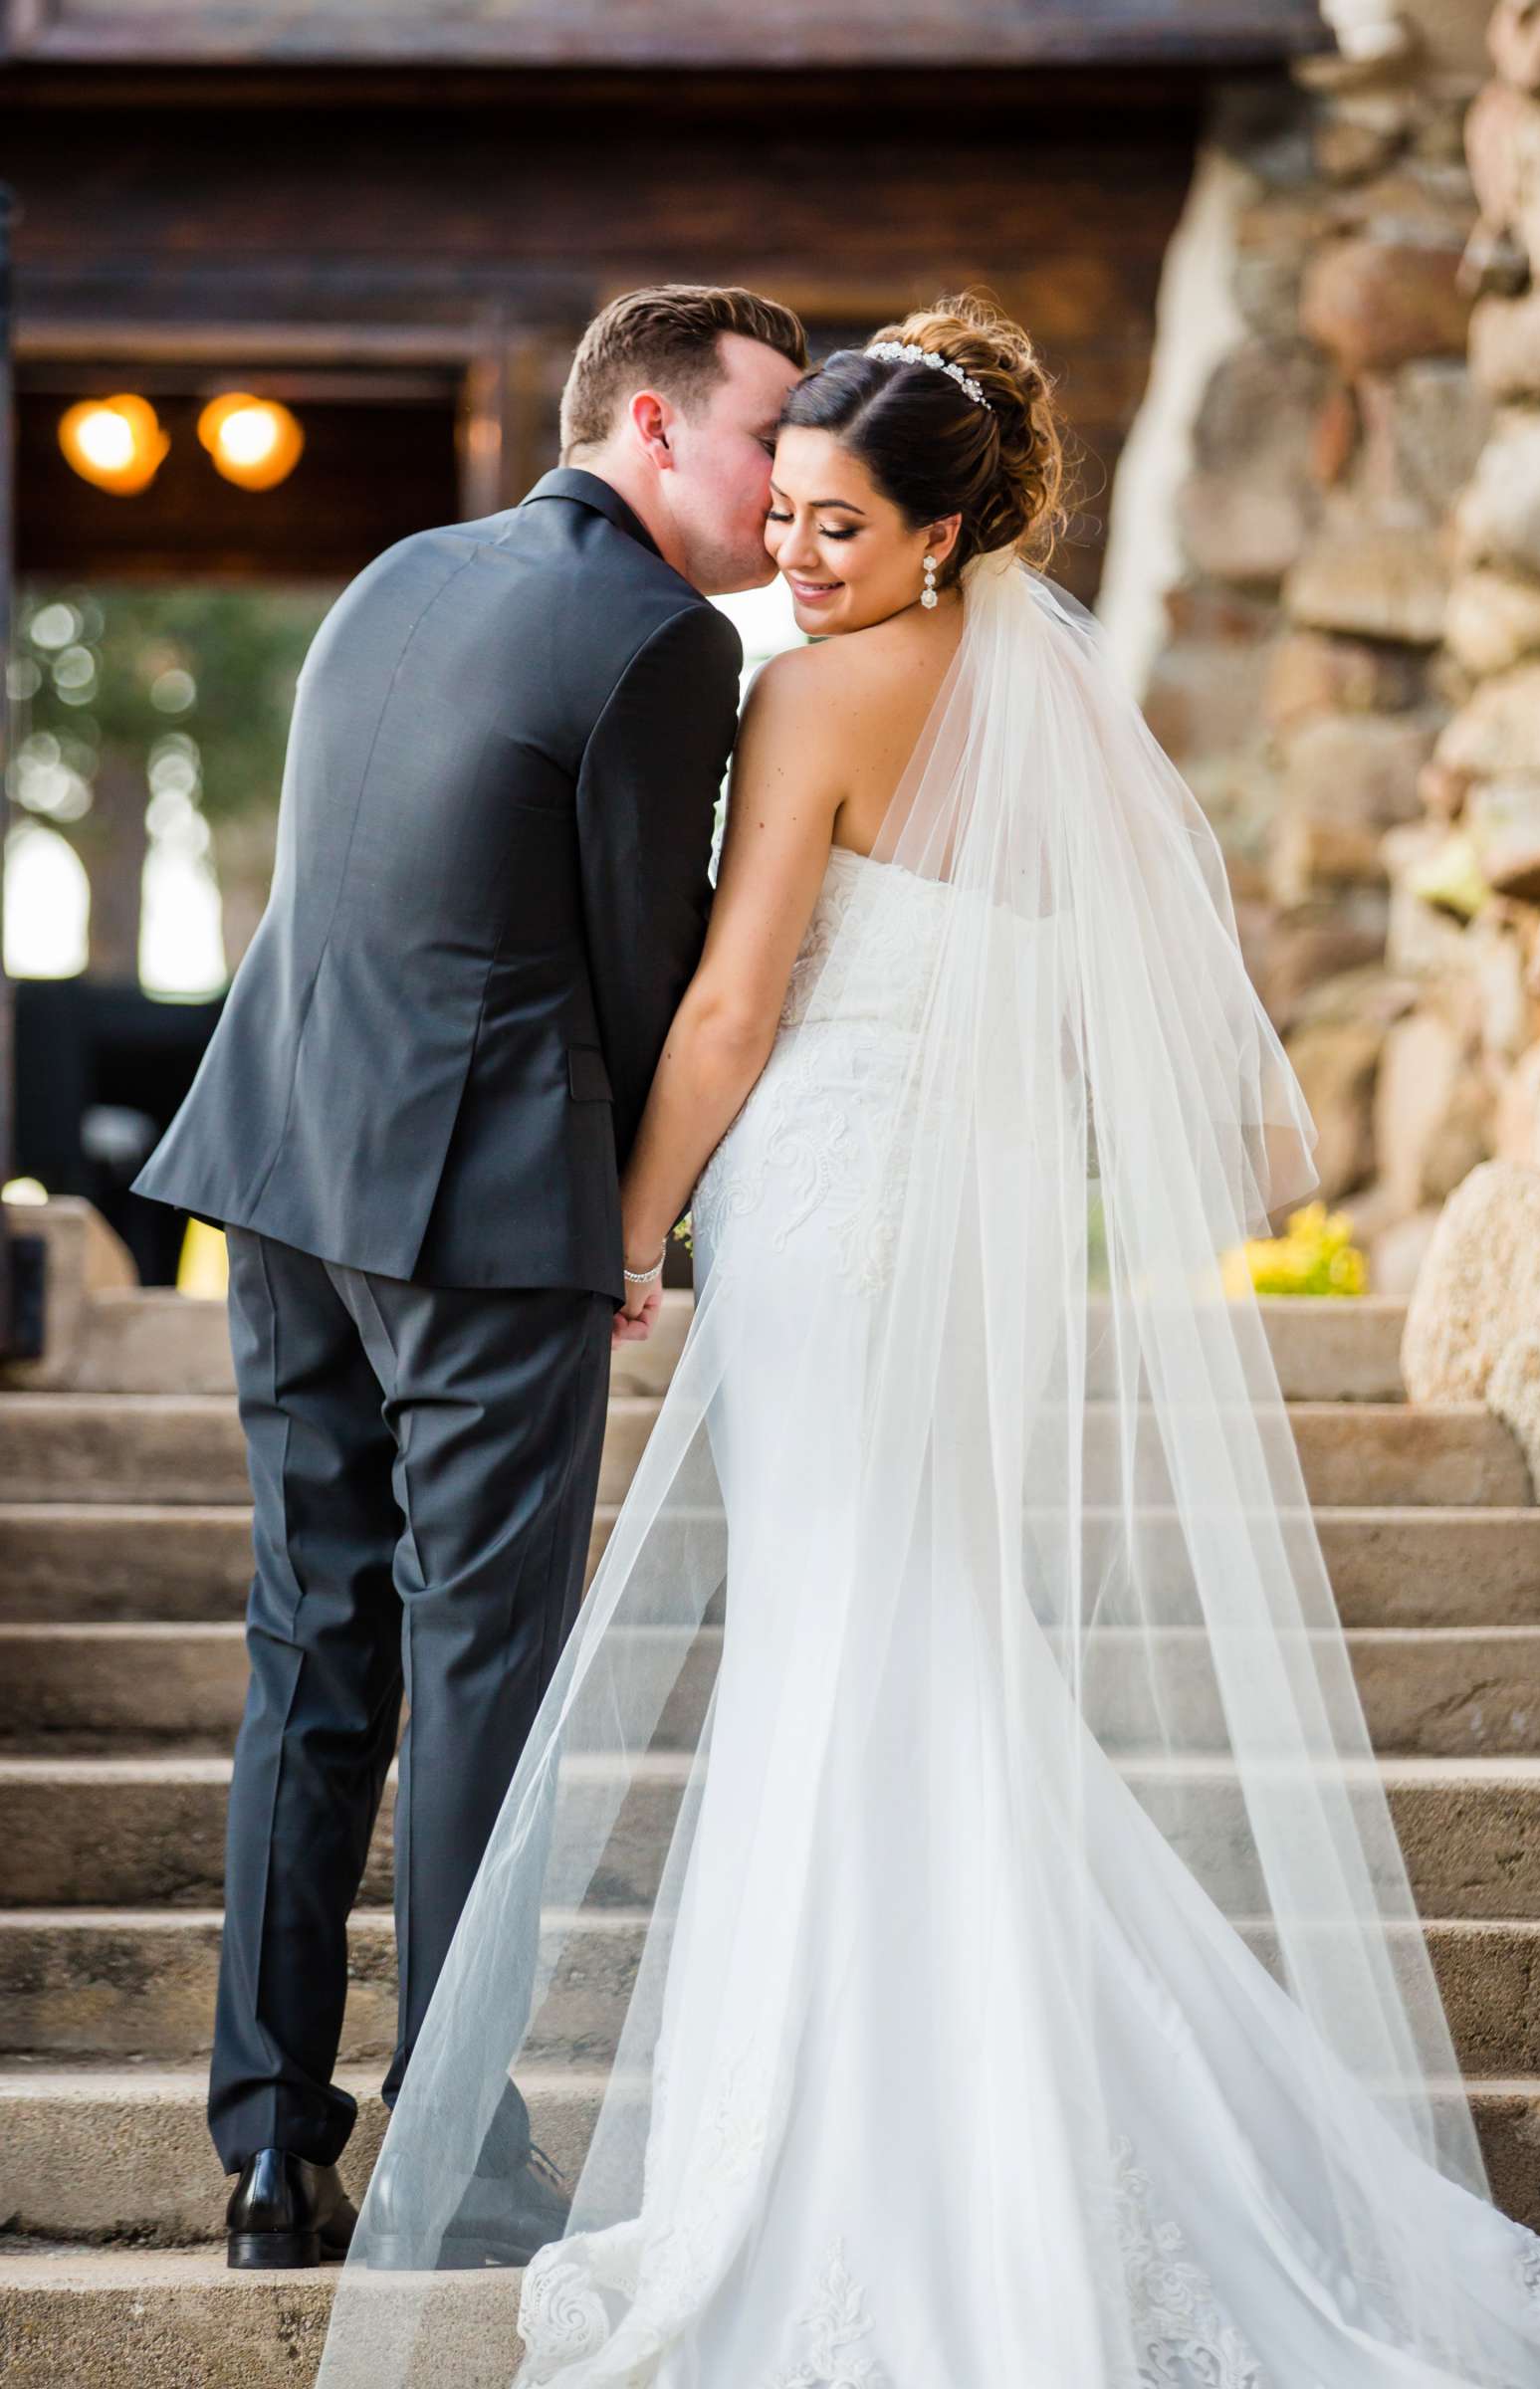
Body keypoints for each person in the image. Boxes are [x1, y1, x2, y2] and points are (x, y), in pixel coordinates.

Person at [316, 297, 1540, 2385]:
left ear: (935, 534)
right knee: (912, 1641)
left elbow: (730, 1015)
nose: (795, 561)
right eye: (787, 519)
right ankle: (986, 2122)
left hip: (827, 1203)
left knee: (854, 1645)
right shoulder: (1056, 708)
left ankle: (869, 2154)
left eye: (836, 529)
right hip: (948, 1216)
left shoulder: (813, 702)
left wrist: (631, 1227)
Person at [129, 283, 807, 2270]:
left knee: (312, 1649)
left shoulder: (402, 570)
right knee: (487, 1683)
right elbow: (639, 966)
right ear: (658, 426)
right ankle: (452, 2159)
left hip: (279, 1163)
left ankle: (267, 2152)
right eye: (765, 437)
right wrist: (633, 1226)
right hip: (484, 1208)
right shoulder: (661, 638)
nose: (782, 491)